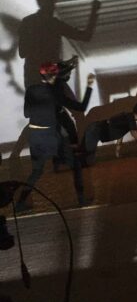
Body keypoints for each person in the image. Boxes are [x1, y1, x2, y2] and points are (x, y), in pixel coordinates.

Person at [15, 63, 95, 213]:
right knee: (75, 166)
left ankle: (20, 204)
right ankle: (81, 199)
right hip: (52, 136)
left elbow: (26, 113)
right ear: (54, 76)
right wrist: (89, 85)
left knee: (36, 172)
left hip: (36, 135)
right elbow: (82, 107)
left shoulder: (31, 90)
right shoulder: (55, 93)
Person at [19, 0, 101, 88]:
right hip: (47, 74)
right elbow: (85, 36)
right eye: (52, 2)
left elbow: (22, 53)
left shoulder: (28, 22)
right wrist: (94, 12)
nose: (54, 6)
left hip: (32, 76)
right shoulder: (55, 24)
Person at [80, 102, 137, 166]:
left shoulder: (127, 116)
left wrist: (117, 152)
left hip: (94, 128)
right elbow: (135, 134)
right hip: (95, 131)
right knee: (87, 161)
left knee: (84, 154)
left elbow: (120, 135)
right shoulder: (131, 120)